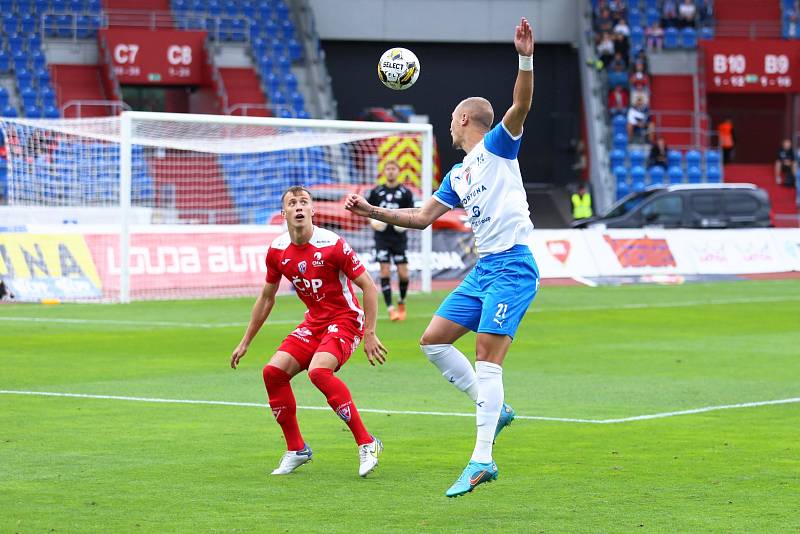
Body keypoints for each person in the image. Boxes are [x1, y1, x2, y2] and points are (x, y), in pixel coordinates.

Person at [345, 17, 538, 498]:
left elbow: (521, 104)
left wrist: (525, 58)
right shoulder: (456, 174)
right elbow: (420, 217)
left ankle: (482, 460)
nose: (449, 124)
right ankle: (496, 408)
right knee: (432, 340)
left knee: (487, 357)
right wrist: (372, 209)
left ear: (466, 120)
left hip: (513, 264)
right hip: (485, 268)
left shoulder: (497, 146)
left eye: (453, 118)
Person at [230, 186, 388, 477]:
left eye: (304, 202)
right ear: (284, 213)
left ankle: (368, 443)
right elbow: (267, 297)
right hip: (314, 322)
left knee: (319, 372)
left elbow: (368, 286)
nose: (299, 206)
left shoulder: (332, 244)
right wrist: (245, 341)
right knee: (272, 373)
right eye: (292, 203)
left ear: (313, 210)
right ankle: (296, 449)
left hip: (345, 320)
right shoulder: (277, 251)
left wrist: (370, 332)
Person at [366, 160, 415, 321]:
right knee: (384, 271)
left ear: (398, 171)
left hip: (399, 239)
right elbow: (369, 212)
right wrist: (373, 222)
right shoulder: (376, 192)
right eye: (388, 168)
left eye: (394, 168)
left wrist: (405, 224)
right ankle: (391, 309)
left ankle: (401, 302)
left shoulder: (406, 193)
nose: (391, 171)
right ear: (384, 171)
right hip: (382, 239)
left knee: (404, 275)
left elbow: (413, 214)